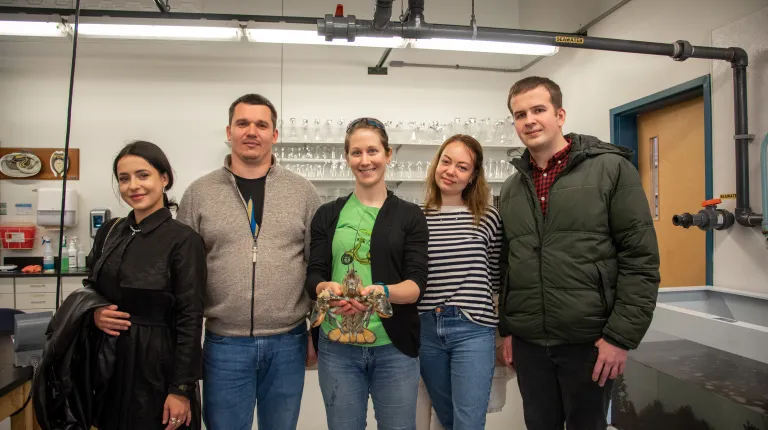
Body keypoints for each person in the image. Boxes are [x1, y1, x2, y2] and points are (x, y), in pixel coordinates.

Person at [497, 76, 661, 430]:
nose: (529, 120)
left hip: (589, 339)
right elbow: (508, 266)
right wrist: (508, 330)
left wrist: (620, 337)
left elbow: (640, 260)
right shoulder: (511, 188)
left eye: (538, 110)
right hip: (529, 342)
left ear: (560, 115)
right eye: (520, 114)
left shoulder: (611, 170)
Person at [176, 93, 321, 430]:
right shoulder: (199, 193)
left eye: (261, 124)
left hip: (288, 341)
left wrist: (315, 330)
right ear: (229, 131)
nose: (251, 131)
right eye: (243, 123)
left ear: (275, 134)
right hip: (224, 344)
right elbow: (183, 276)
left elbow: (317, 267)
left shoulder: (303, 192)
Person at [305, 117, 429, 430]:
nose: (365, 160)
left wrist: (379, 293)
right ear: (347, 158)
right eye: (356, 153)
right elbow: (314, 273)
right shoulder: (328, 213)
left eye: (373, 151)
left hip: (395, 348)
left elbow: (416, 285)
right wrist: (327, 290)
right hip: (337, 349)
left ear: (388, 155)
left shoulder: (410, 215)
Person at [88, 140, 206, 430]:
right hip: (110, 361)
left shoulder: (183, 240)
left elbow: (190, 318)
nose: (133, 186)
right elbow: (90, 287)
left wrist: (181, 389)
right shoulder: (110, 231)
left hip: (158, 366)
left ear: (164, 179)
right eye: (124, 179)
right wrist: (95, 312)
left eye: (143, 175)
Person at [418, 134, 503, 430]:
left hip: (474, 329)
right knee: (447, 418)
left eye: (462, 167)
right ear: (436, 164)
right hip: (426, 329)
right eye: (446, 161)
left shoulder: (488, 217)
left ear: (473, 176)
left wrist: (504, 333)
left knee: (468, 423)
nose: (451, 171)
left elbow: (495, 279)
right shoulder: (416, 217)